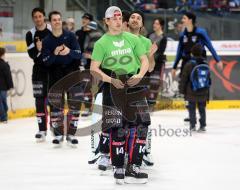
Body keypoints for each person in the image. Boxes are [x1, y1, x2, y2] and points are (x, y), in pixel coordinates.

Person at [91, 6, 150, 184]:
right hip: (113, 85)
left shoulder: (133, 38)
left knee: (142, 126)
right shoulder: (101, 43)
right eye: (113, 17)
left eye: (119, 17)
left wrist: (140, 75)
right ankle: (118, 167)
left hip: (134, 84)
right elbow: (94, 68)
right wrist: (110, 80)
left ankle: (134, 166)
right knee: (117, 127)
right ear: (106, 21)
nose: (117, 20)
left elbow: (144, 60)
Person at [171, 12, 223, 122]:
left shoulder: (201, 32)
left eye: (184, 18)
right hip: (186, 64)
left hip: (200, 63)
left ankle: (201, 113)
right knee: (186, 88)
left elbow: (210, 46)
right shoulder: (182, 35)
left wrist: (218, 60)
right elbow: (179, 52)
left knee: (201, 86)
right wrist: (174, 67)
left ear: (190, 20)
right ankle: (191, 114)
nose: (182, 20)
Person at [42, 11, 81, 147]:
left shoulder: (70, 36)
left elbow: (78, 54)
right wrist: (55, 53)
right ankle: (58, 134)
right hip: (55, 76)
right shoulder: (46, 41)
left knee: (74, 106)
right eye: (54, 20)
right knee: (55, 107)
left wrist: (69, 51)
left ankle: (71, 134)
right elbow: (46, 61)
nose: (57, 22)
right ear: (50, 22)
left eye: (59, 19)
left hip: (71, 74)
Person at [127, 10, 158, 168]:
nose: (135, 19)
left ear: (141, 24)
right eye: (132, 17)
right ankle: (122, 151)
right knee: (123, 122)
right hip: (122, 85)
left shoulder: (146, 41)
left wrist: (151, 55)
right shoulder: (120, 39)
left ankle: (144, 149)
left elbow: (151, 68)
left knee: (144, 121)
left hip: (140, 87)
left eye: (138, 18)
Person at [25, 8, 52, 142]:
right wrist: (40, 51)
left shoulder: (52, 30)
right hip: (38, 72)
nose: (38, 19)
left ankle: (56, 128)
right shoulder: (30, 33)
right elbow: (32, 55)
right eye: (35, 17)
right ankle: (42, 130)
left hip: (53, 70)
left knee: (55, 99)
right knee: (40, 100)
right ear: (33, 18)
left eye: (40, 16)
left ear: (44, 17)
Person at [144, 17, 167, 166]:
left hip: (157, 65)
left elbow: (160, 52)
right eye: (154, 22)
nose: (154, 24)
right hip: (148, 63)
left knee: (154, 85)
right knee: (147, 85)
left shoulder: (163, 38)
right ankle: (147, 103)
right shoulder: (150, 36)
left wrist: (151, 57)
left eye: (157, 23)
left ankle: (151, 104)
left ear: (161, 26)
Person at [179, 44, 210, 132]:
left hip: (191, 91)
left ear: (192, 53)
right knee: (202, 109)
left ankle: (193, 125)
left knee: (192, 109)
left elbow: (184, 78)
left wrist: (182, 91)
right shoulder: (205, 64)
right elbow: (208, 80)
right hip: (203, 91)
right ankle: (203, 125)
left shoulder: (189, 64)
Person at [75, 13, 94, 117]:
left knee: (87, 86)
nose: (84, 20)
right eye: (83, 18)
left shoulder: (94, 33)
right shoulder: (78, 32)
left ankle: (88, 107)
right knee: (81, 86)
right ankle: (86, 106)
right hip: (79, 63)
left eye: (87, 19)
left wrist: (92, 56)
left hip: (91, 64)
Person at [0, 47, 13, 124]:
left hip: (3, 87)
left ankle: (3, 116)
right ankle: (3, 117)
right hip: (3, 87)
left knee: (2, 102)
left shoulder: (5, 64)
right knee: (3, 102)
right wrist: (11, 86)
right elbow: (8, 76)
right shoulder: (5, 65)